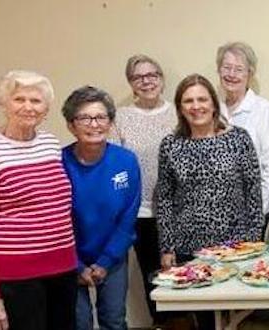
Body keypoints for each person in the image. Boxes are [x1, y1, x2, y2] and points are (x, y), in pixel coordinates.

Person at [0, 70, 78, 330]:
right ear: (4, 103)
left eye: (36, 101)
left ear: (46, 108)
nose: (28, 107)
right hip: (17, 276)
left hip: (63, 268)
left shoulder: (50, 144)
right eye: (19, 99)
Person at [156, 73, 265, 265]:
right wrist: (167, 247)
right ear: (180, 109)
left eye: (202, 99)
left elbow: (253, 192)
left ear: (214, 104)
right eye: (188, 101)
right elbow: (165, 199)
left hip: (235, 246)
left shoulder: (239, 139)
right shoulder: (170, 145)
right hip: (187, 249)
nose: (196, 106)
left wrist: (253, 239)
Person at [61, 86, 142, 330]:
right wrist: (77, 265)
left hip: (113, 255)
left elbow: (128, 216)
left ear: (110, 122)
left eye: (100, 117)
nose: (94, 124)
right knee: (78, 322)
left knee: (114, 320)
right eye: (84, 118)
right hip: (69, 257)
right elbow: (55, 219)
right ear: (71, 125)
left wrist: (106, 261)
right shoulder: (58, 163)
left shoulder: (125, 161)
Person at [113, 54, 177, 326]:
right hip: (141, 212)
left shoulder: (179, 110)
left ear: (161, 79)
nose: (146, 81)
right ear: (131, 83)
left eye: (152, 75)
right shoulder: (121, 117)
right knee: (153, 276)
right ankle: (160, 324)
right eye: (138, 77)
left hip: (179, 211)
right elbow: (115, 165)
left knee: (185, 274)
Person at [216, 41, 269, 218]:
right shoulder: (212, 109)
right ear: (219, 70)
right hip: (221, 210)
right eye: (226, 67)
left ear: (249, 74)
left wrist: (256, 208)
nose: (231, 74)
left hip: (257, 209)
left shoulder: (263, 109)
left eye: (238, 69)